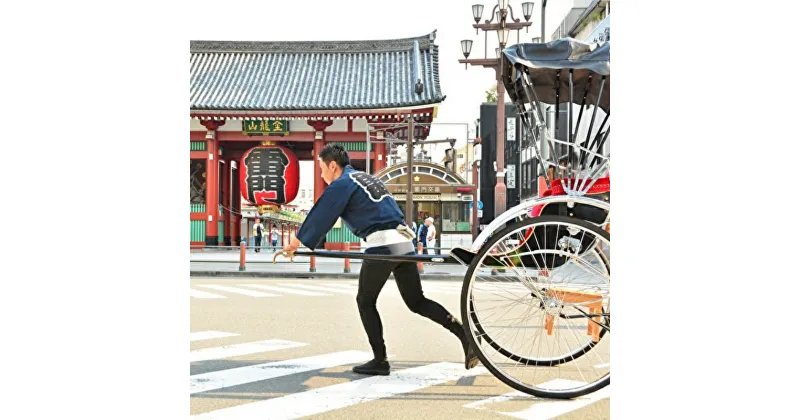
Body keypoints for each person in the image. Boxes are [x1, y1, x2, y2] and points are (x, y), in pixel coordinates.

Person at [282, 144, 478, 376]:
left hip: (383, 244)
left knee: (365, 300)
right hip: (404, 243)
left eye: (322, 168)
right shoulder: (365, 179)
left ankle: (380, 359)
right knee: (417, 301)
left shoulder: (343, 183)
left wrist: (295, 244)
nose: (322, 174)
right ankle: (464, 334)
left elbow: (322, 213)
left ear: (333, 165)